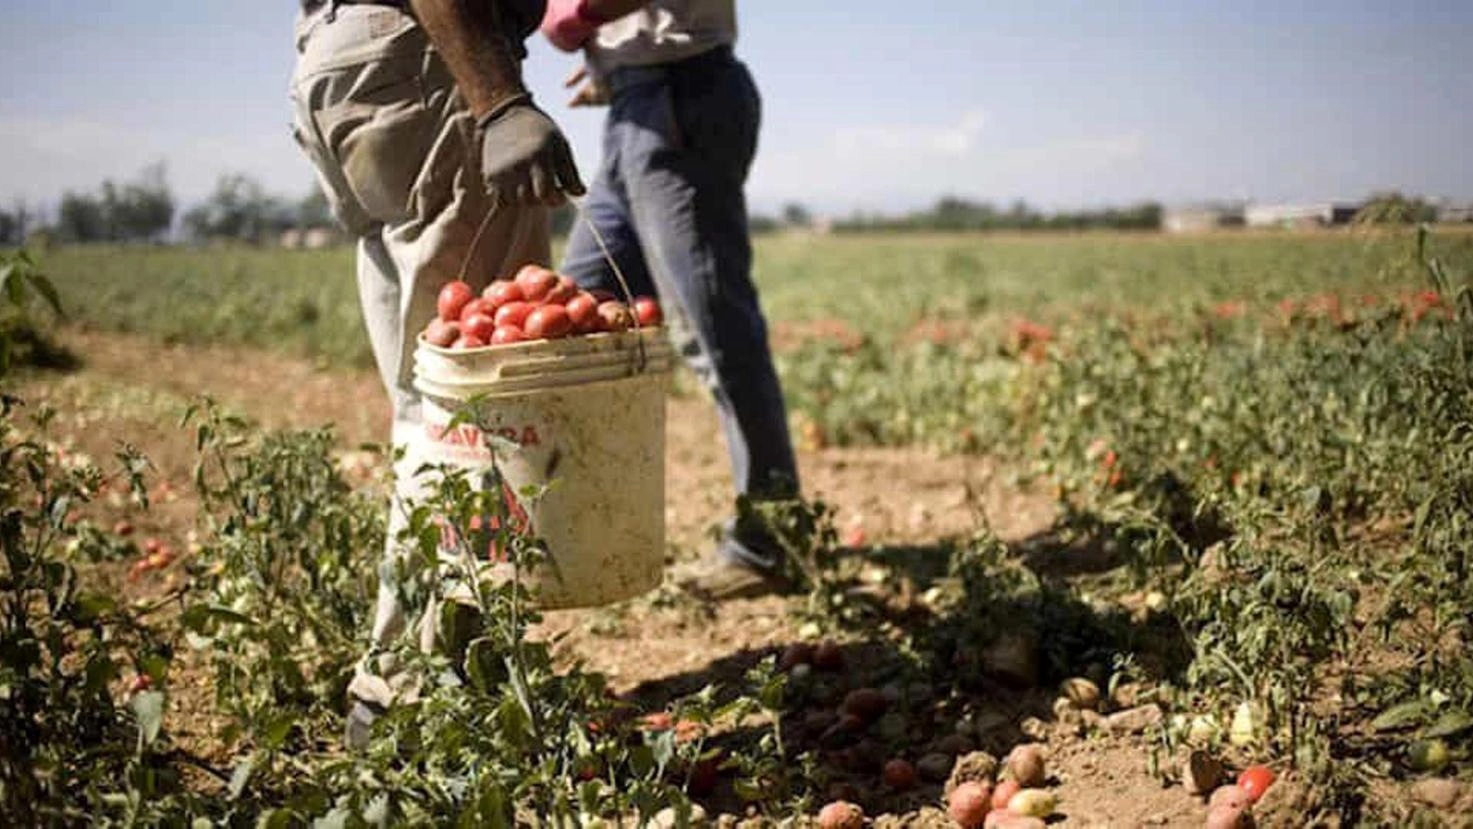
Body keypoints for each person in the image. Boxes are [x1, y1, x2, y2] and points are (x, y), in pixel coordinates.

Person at [288, 0, 586, 747]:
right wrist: (500, 100)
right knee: (475, 407)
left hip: (341, 65)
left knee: (430, 403)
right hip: (428, 61)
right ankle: (410, 696)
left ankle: (439, 678)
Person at [540, 0, 802, 600]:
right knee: (577, 310)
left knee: (715, 330)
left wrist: (575, 16)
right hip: (638, 102)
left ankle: (771, 541)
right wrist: (613, 57)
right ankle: (584, 528)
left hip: (682, 97)